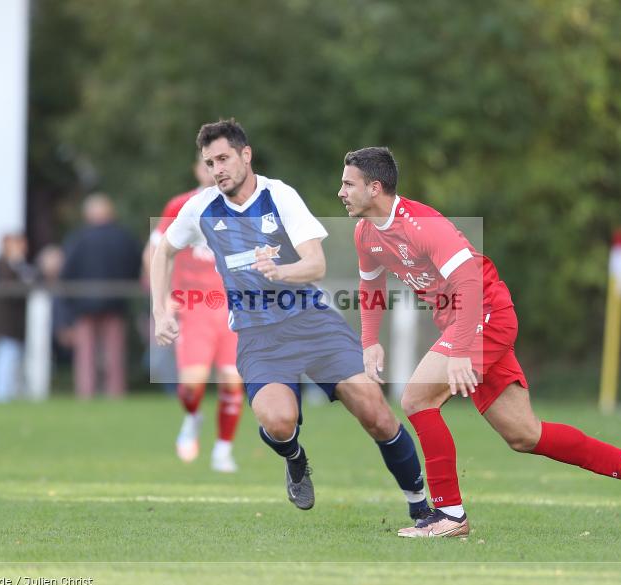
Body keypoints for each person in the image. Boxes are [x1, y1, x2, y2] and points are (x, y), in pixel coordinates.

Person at [339, 146, 621, 538]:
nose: (340, 191)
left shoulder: (423, 225)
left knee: (416, 398)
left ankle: (450, 516)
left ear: (375, 188)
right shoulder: (365, 233)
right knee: (524, 434)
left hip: (485, 315)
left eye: (347, 183)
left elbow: (471, 283)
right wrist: (370, 340)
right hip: (464, 323)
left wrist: (460, 351)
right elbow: (370, 283)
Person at [152, 119, 429, 520]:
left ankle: (421, 507)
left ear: (246, 155)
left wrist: (282, 271)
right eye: (210, 163)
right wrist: (161, 310)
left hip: (312, 322)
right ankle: (295, 457)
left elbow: (315, 264)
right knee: (279, 423)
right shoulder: (200, 208)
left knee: (375, 411)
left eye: (224, 158)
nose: (218, 170)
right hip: (257, 335)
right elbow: (164, 251)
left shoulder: (279, 195)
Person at [145, 157, 245, 473]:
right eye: (207, 164)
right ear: (197, 169)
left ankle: (223, 450)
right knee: (192, 386)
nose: (213, 170)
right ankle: (192, 416)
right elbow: (154, 253)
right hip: (194, 307)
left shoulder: (244, 206)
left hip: (232, 309)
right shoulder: (181, 205)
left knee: (233, 381)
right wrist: (162, 297)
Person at [61, 194, 142, 399]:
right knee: (114, 353)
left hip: (83, 303)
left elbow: (67, 272)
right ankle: (115, 393)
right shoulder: (124, 237)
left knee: (86, 354)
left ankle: (86, 393)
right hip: (116, 301)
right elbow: (135, 266)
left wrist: (68, 306)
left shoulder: (78, 238)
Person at [0, 233, 36, 402]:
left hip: (15, 323)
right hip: (5, 323)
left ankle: (8, 392)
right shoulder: (3, 266)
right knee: (5, 355)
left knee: (12, 356)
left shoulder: (19, 267)